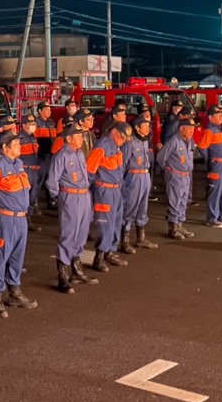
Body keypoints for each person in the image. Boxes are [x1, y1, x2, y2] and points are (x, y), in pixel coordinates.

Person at [0, 130, 38, 318]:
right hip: (5, 219)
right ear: (5, 147)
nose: (19, 147)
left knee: (16, 257)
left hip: (21, 219)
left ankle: (14, 293)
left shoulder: (18, 164)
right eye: (16, 144)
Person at [46, 123, 94, 293]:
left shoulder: (79, 153)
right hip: (70, 197)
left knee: (81, 233)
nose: (81, 139)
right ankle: (62, 276)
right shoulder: (62, 156)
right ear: (68, 139)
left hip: (83, 195)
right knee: (68, 234)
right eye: (78, 136)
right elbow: (52, 181)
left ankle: (76, 269)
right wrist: (57, 198)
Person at [87, 121, 131, 272]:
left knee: (116, 222)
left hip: (116, 190)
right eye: (122, 137)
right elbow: (89, 172)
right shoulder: (102, 147)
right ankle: (99, 258)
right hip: (104, 191)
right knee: (105, 225)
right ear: (114, 133)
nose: (124, 141)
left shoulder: (117, 147)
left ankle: (110, 253)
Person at [156, 116, 197, 240]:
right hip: (175, 175)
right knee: (175, 201)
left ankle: (180, 225)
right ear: (181, 129)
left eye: (192, 128)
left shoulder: (190, 141)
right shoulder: (173, 141)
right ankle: (173, 228)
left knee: (183, 201)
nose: (192, 131)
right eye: (189, 128)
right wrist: (168, 171)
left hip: (186, 176)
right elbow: (160, 158)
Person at [122, 114, 158, 251]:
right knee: (130, 208)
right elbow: (123, 163)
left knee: (143, 208)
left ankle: (140, 238)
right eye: (145, 126)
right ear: (137, 128)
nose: (148, 128)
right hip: (133, 178)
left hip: (145, 176)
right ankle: (125, 241)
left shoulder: (144, 141)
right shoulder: (130, 142)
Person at [196, 105, 222, 228]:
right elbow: (202, 148)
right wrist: (211, 161)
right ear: (210, 117)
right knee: (215, 192)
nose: (221, 117)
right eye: (218, 115)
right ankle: (212, 218)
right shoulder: (209, 131)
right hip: (218, 164)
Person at [17, 114, 43, 231]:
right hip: (25, 170)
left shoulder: (33, 137)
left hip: (33, 170)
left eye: (34, 124)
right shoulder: (19, 139)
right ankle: (26, 222)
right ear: (24, 126)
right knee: (25, 197)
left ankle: (29, 217)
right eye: (30, 124)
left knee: (32, 196)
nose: (33, 126)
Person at [33, 101, 58, 214]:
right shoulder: (36, 123)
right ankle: (34, 203)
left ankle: (51, 201)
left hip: (50, 156)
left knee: (50, 178)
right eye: (46, 110)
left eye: (50, 109)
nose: (49, 111)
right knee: (38, 181)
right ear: (40, 111)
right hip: (40, 157)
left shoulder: (51, 122)